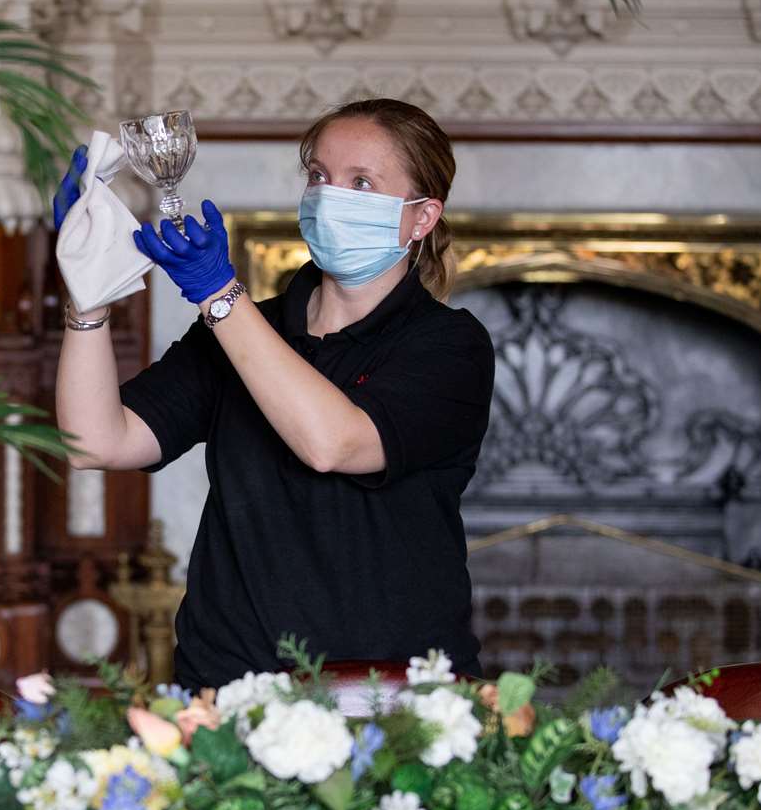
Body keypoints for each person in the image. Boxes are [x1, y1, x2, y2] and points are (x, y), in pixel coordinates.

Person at [54, 98, 494, 690]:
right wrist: (88, 300)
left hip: (392, 694)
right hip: (226, 683)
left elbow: (333, 444)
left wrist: (219, 294)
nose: (329, 196)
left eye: (361, 182)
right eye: (318, 175)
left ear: (421, 217)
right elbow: (97, 442)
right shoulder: (242, 330)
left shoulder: (448, 345)